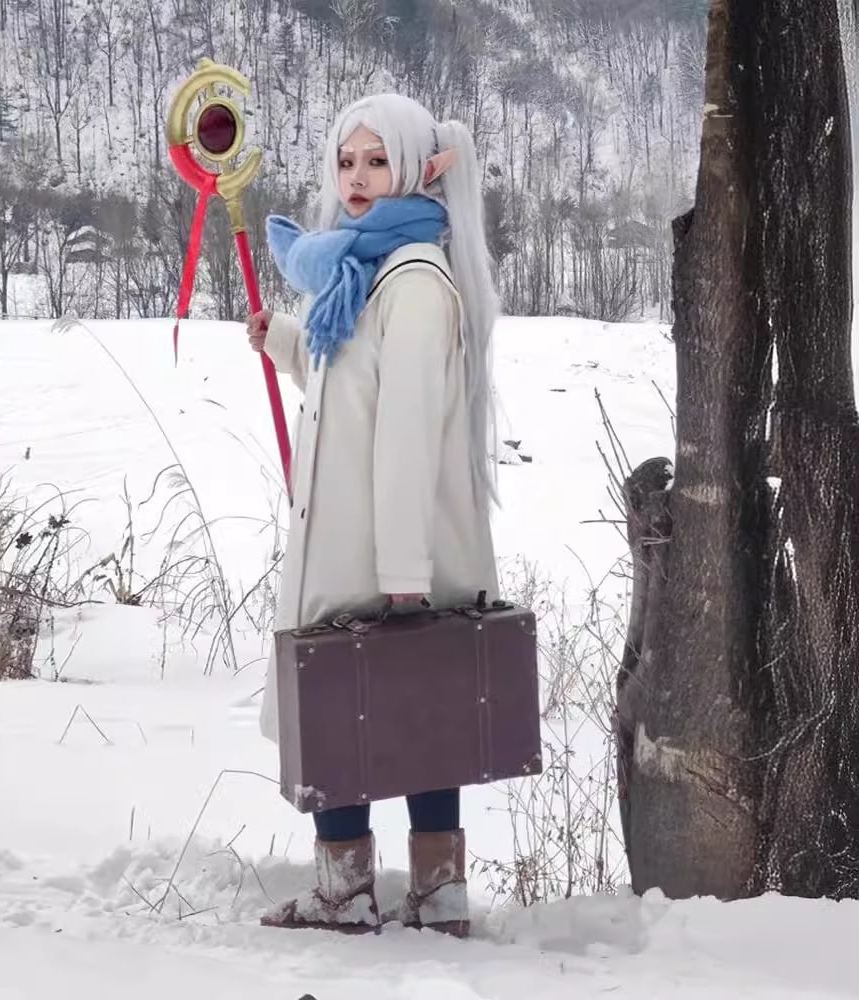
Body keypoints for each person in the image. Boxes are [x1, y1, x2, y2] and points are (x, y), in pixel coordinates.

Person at [245, 92, 500, 937]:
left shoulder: (417, 282)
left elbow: (405, 439)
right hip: (358, 543)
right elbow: (350, 390)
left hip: (393, 551)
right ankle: (350, 892)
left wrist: (402, 575)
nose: (356, 179)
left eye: (376, 161)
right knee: (349, 708)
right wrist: (286, 342)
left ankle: (436, 896)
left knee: (414, 703)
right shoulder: (364, 272)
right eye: (346, 161)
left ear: (415, 169)